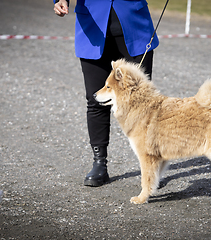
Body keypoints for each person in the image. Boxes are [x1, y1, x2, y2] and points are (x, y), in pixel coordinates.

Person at [53, 0, 159, 187]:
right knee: (96, 100)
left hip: (135, 27)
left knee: (143, 103)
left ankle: (150, 165)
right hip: (92, 29)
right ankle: (99, 163)